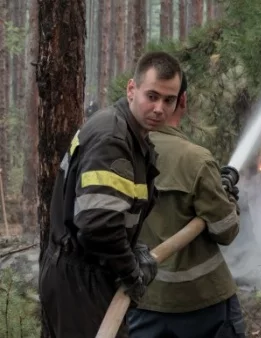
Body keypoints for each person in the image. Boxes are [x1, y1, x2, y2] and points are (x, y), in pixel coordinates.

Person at [39, 51, 184, 338]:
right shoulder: (113, 140)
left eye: (169, 100)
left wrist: (133, 250)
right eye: (152, 96)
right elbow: (99, 224)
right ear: (132, 89)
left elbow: (115, 215)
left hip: (81, 276)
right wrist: (131, 271)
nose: (159, 108)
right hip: (81, 281)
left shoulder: (129, 136)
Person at [127, 73, 247, 338]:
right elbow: (225, 231)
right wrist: (229, 201)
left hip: (142, 300)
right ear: (183, 101)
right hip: (204, 303)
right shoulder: (196, 159)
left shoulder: (122, 150)